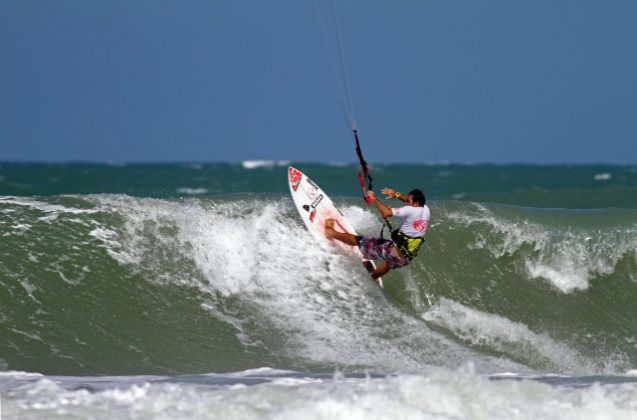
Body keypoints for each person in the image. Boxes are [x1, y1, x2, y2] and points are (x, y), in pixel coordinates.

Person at [324, 187, 430, 281]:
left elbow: (386, 212)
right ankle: (374, 277)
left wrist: (374, 199)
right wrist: (396, 195)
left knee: (359, 240)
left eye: (408, 201)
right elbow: (408, 199)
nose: (406, 203)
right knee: (390, 262)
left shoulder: (410, 210)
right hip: (404, 260)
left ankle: (330, 233)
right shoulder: (426, 210)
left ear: (415, 203)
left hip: (391, 252)